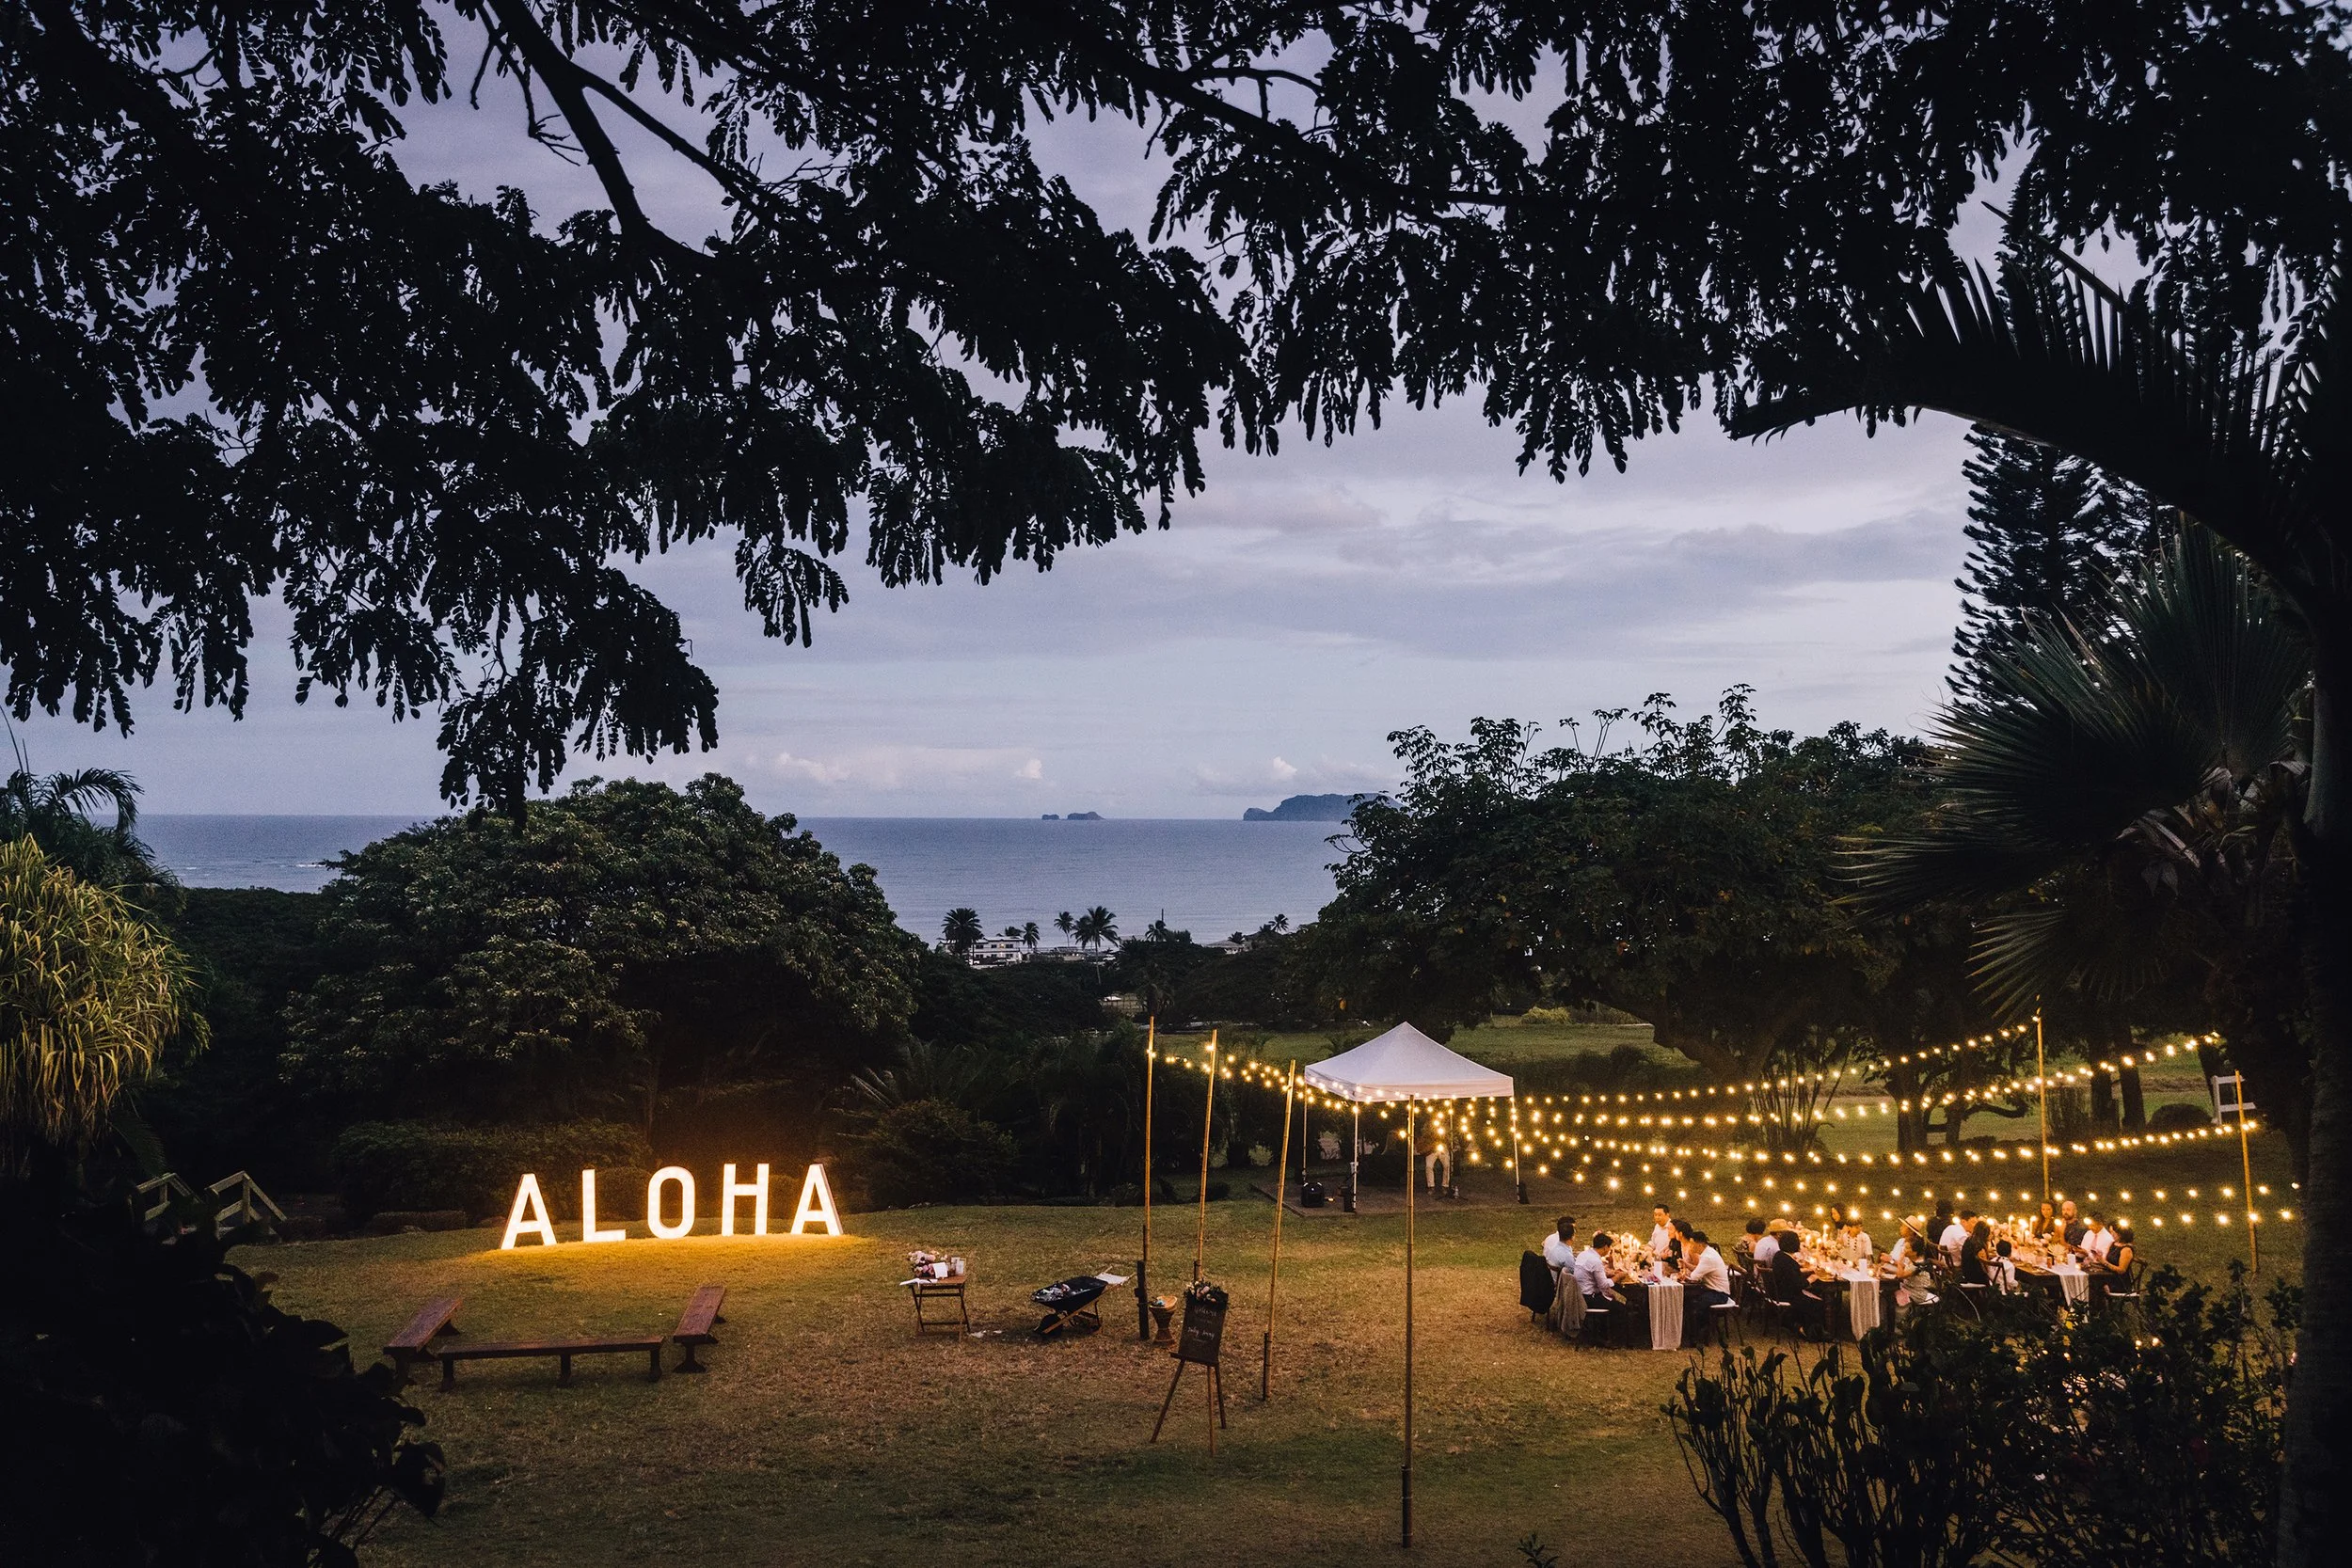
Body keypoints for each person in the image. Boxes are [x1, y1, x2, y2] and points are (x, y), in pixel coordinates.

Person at [1768, 1230, 1826, 1338]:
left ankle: (1799, 1323)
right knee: (1819, 1303)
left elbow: (1790, 1275)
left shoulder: (1779, 1256)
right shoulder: (1789, 1262)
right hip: (1788, 1295)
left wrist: (1802, 1270)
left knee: (1816, 1293)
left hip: (1778, 1291)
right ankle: (1809, 1330)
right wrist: (1812, 1278)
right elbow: (1798, 1284)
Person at [1575, 1231, 1619, 1307]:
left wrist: (1607, 1273)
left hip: (1579, 1294)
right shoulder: (1596, 1261)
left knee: (1615, 1301)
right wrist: (1618, 1277)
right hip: (1589, 1298)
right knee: (1620, 1307)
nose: (1609, 1250)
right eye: (1609, 1247)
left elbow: (1592, 1273)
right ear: (1605, 1247)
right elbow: (1604, 1285)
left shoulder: (1583, 1254)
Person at [1960, 1216, 1992, 1287]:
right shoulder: (1980, 1248)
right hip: (1977, 1278)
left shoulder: (1969, 1240)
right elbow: (1986, 1269)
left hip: (1966, 1273)